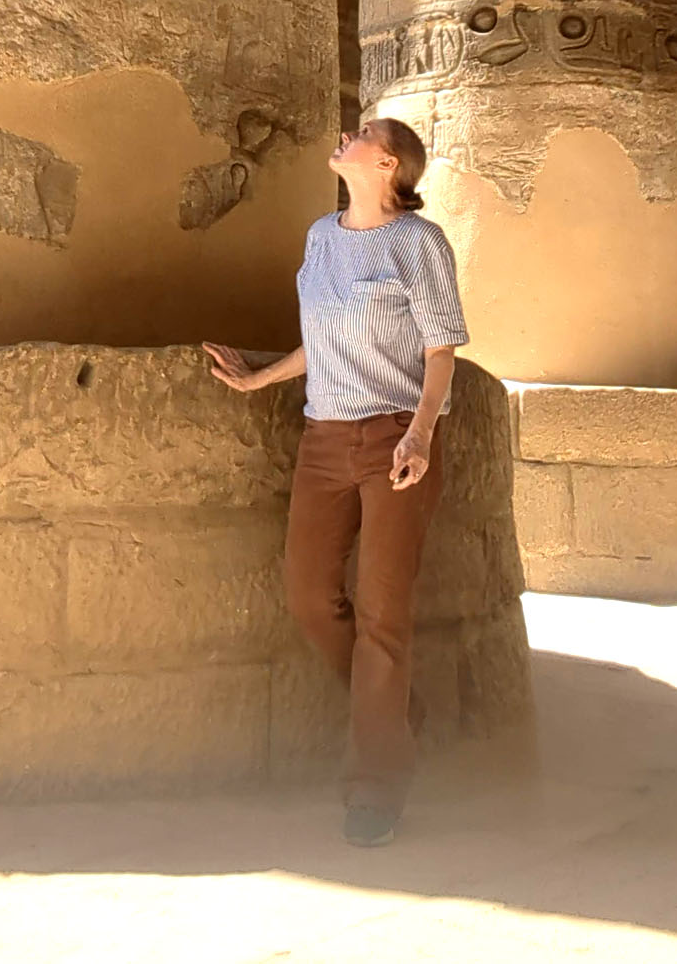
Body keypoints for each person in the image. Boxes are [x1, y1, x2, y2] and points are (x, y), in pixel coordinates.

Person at [203, 116, 468, 848]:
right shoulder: (321, 237)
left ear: (387, 163)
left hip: (394, 439)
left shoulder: (420, 244)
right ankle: (397, 714)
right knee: (310, 597)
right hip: (324, 438)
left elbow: (440, 353)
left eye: (361, 133)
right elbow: (322, 344)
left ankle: (375, 786)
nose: (344, 133)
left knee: (384, 611)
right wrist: (259, 377)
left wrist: (420, 432)